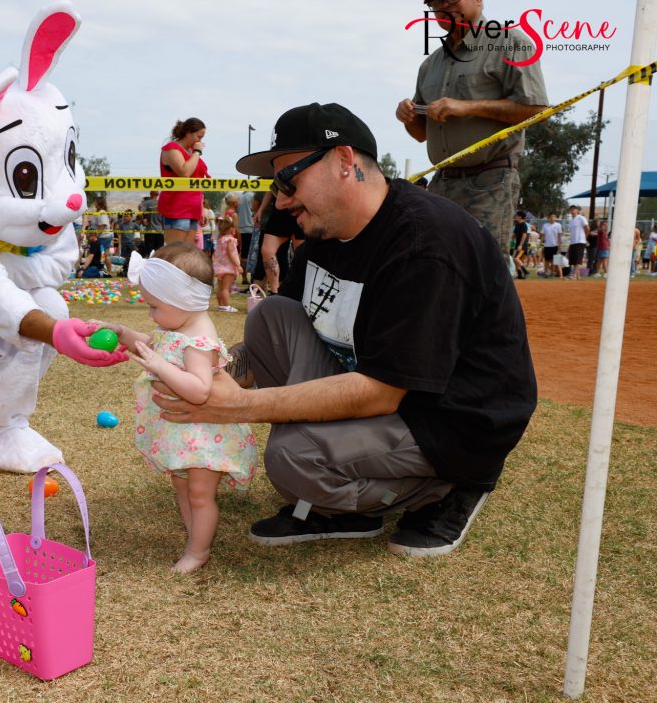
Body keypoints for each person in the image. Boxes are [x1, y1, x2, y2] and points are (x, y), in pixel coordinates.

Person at [155, 102, 536, 558]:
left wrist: (239, 406)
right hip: (388, 390)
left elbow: (382, 391)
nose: (280, 199)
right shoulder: (326, 233)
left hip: (450, 419)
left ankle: (448, 485)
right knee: (270, 316)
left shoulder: (425, 243)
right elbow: (269, 343)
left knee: (293, 458)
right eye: (275, 186)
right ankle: (342, 487)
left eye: (288, 180)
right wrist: (197, 372)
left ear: (344, 162)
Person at [100, 244, 257, 572]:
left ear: (181, 301)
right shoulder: (178, 327)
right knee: (182, 486)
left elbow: (199, 390)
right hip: (185, 434)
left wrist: (159, 365)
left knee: (199, 494)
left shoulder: (199, 341)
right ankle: (195, 537)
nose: (150, 314)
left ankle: (198, 552)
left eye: (154, 306)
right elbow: (156, 342)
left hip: (204, 436)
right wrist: (124, 334)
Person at [396, 0, 548, 260]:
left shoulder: (511, 43)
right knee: (437, 264)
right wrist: (407, 116)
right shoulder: (430, 65)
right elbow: (421, 134)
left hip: (489, 180)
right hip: (443, 182)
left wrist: (466, 107)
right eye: (436, 1)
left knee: (483, 268)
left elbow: (535, 108)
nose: (445, 5)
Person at [158, 118, 209, 246]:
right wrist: (197, 152)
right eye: (198, 136)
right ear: (188, 132)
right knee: (175, 252)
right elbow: (184, 172)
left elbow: (197, 181)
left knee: (187, 252)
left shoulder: (191, 151)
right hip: (177, 208)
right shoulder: (172, 149)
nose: (200, 141)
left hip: (193, 208)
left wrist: (203, 207)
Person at [212, 212, 242, 313]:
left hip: (220, 267)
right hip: (228, 268)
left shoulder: (220, 240)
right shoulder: (230, 240)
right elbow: (231, 254)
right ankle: (227, 306)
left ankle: (221, 305)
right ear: (231, 229)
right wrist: (238, 265)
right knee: (226, 288)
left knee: (220, 288)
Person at [236, 190, 255, 286]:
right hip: (251, 228)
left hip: (241, 228)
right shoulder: (252, 196)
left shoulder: (240, 197)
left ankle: (244, 277)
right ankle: (253, 277)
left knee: (243, 255)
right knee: (253, 255)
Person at [566, 205, 589, 280]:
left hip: (580, 241)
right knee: (573, 259)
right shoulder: (571, 220)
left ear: (577, 210)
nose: (572, 211)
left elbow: (587, 228)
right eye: (571, 209)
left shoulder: (581, 218)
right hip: (573, 242)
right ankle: (578, 276)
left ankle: (574, 275)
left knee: (578, 259)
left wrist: (585, 238)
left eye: (574, 209)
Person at [541, 212, 563, 278]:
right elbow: (543, 236)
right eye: (551, 216)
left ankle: (553, 273)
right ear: (548, 218)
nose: (552, 218)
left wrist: (559, 246)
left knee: (554, 260)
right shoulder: (545, 225)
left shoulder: (558, 225)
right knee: (546, 260)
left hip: (555, 245)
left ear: (556, 218)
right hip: (547, 245)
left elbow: (559, 236)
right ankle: (546, 273)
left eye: (554, 216)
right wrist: (541, 245)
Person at [512, 211, 529, 279]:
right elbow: (515, 235)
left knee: (516, 258)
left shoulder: (523, 224)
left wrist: (520, 245)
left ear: (520, 216)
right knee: (516, 259)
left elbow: (524, 235)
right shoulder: (517, 225)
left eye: (516, 215)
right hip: (517, 244)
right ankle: (519, 274)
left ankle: (525, 271)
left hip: (522, 245)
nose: (515, 216)